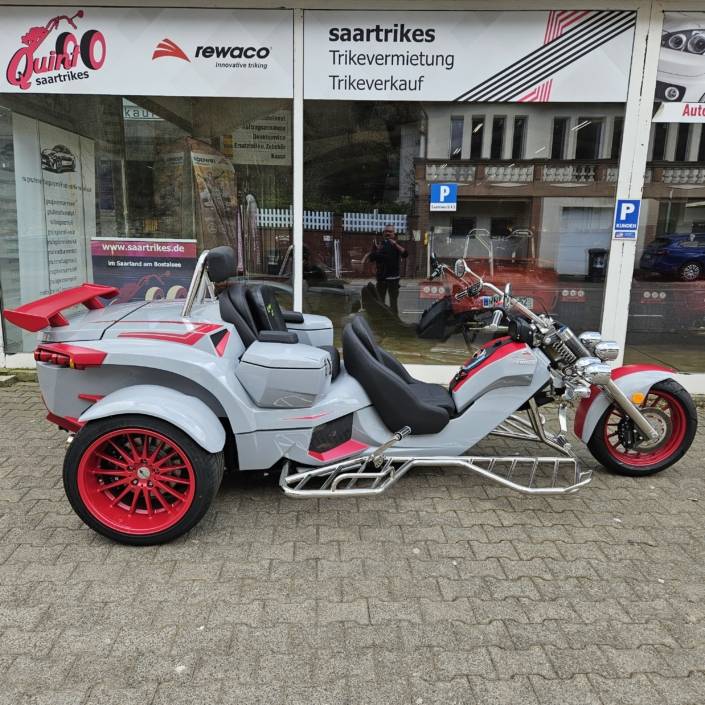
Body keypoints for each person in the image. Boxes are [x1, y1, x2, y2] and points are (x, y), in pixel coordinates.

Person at [369, 224, 408, 316]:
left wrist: (394, 244)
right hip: (381, 279)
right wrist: (374, 249)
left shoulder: (397, 244)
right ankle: (382, 320)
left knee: (393, 303)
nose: (388, 233)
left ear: (394, 233)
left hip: (393, 279)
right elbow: (372, 257)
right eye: (386, 231)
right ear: (383, 233)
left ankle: (395, 321)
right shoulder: (380, 244)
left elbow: (405, 254)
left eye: (390, 231)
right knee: (380, 302)